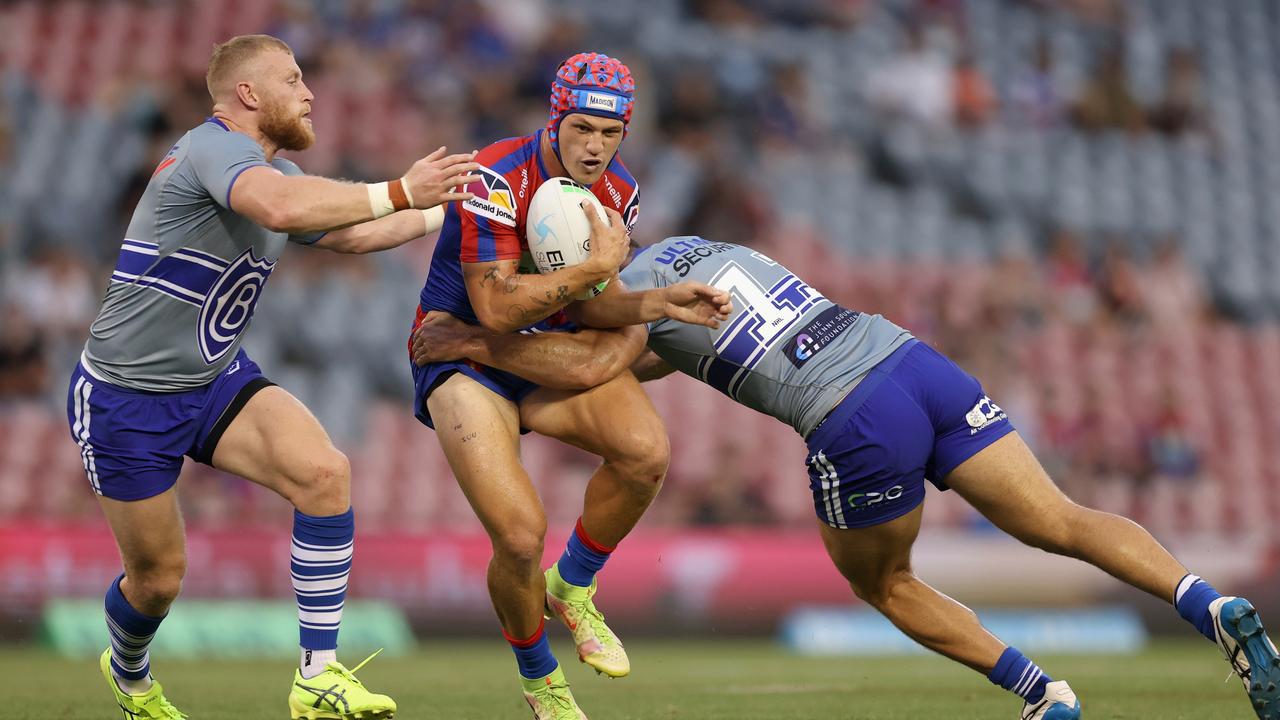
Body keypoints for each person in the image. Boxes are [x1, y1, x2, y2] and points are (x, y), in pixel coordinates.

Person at [412, 229, 1280, 720]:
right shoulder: (695, 248)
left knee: (888, 586)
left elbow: (595, 367)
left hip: (851, 417)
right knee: (1059, 515)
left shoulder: (624, 313)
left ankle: (1042, 695)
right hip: (910, 359)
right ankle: (1207, 602)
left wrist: (476, 343)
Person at [68, 34, 481, 720]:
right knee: (158, 580)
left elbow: (353, 232)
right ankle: (129, 669)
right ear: (248, 95)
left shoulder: (276, 174)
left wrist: (450, 211)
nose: (310, 93)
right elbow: (281, 211)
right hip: (127, 398)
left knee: (324, 474)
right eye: (293, 80)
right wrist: (401, 187)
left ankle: (317, 676)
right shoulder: (211, 148)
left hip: (213, 380)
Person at [408, 52, 730, 719]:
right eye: (582, 128)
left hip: (540, 348)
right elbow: (493, 309)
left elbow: (589, 304)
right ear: (554, 119)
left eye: (611, 135)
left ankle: (573, 585)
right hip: (464, 356)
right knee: (521, 537)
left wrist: (659, 301)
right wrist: (595, 271)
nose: (595, 148)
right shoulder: (494, 175)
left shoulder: (618, 191)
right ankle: (541, 680)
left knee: (647, 453)